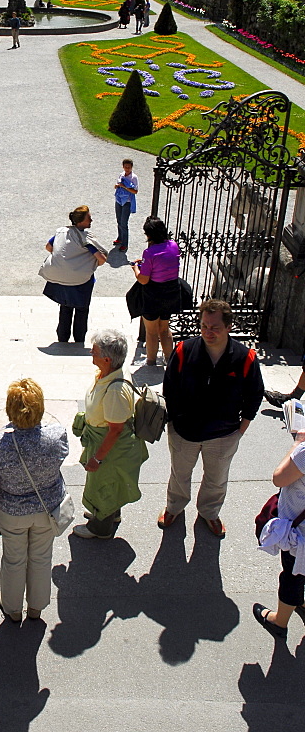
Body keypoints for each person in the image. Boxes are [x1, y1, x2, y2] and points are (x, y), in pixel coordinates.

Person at [159, 299, 264, 537]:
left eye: (215, 327)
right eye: (204, 325)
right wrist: (174, 422)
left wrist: (241, 429)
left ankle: (209, 513)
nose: (208, 332)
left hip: (223, 434)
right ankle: (174, 508)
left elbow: (255, 393)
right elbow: (170, 388)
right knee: (179, 475)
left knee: (216, 480)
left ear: (228, 327)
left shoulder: (244, 357)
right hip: (184, 431)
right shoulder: (184, 350)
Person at [0, 378, 69, 622]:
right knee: (42, 558)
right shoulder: (57, 435)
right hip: (47, 507)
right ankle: (36, 607)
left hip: (11, 511)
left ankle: (12, 609)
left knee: (13, 559)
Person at [72, 329, 148, 538]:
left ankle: (100, 528)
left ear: (106, 359)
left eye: (94, 351)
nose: (91, 353)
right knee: (109, 485)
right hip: (104, 441)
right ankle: (109, 514)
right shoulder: (111, 373)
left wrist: (97, 458)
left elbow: (115, 431)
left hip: (109, 448)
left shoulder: (115, 391)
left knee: (103, 485)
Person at [253, 427, 305, 639]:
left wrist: (297, 444)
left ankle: (279, 622)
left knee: (292, 576)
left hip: (299, 535)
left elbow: (279, 478)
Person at [40, 206, 108, 346]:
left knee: (65, 308)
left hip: (62, 280)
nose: (91, 220)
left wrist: (65, 259)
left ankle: (62, 340)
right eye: (89, 217)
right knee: (82, 311)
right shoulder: (84, 238)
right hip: (81, 281)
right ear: (81, 221)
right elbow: (101, 258)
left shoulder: (62, 232)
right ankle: (79, 341)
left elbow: (48, 246)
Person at [131, 216, 181, 366]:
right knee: (165, 329)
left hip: (153, 294)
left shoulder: (149, 253)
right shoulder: (173, 245)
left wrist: (135, 268)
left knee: (151, 331)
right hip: (171, 292)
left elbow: (144, 279)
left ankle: (151, 362)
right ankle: (169, 360)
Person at [113, 157, 138, 251]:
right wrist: (117, 186)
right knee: (119, 221)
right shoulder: (121, 175)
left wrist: (125, 187)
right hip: (119, 200)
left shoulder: (134, 177)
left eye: (129, 167)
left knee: (124, 223)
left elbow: (135, 191)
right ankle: (120, 238)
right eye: (125, 167)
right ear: (123, 167)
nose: (127, 169)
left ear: (131, 167)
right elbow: (118, 184)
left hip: (127, 202)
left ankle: (125, 243)